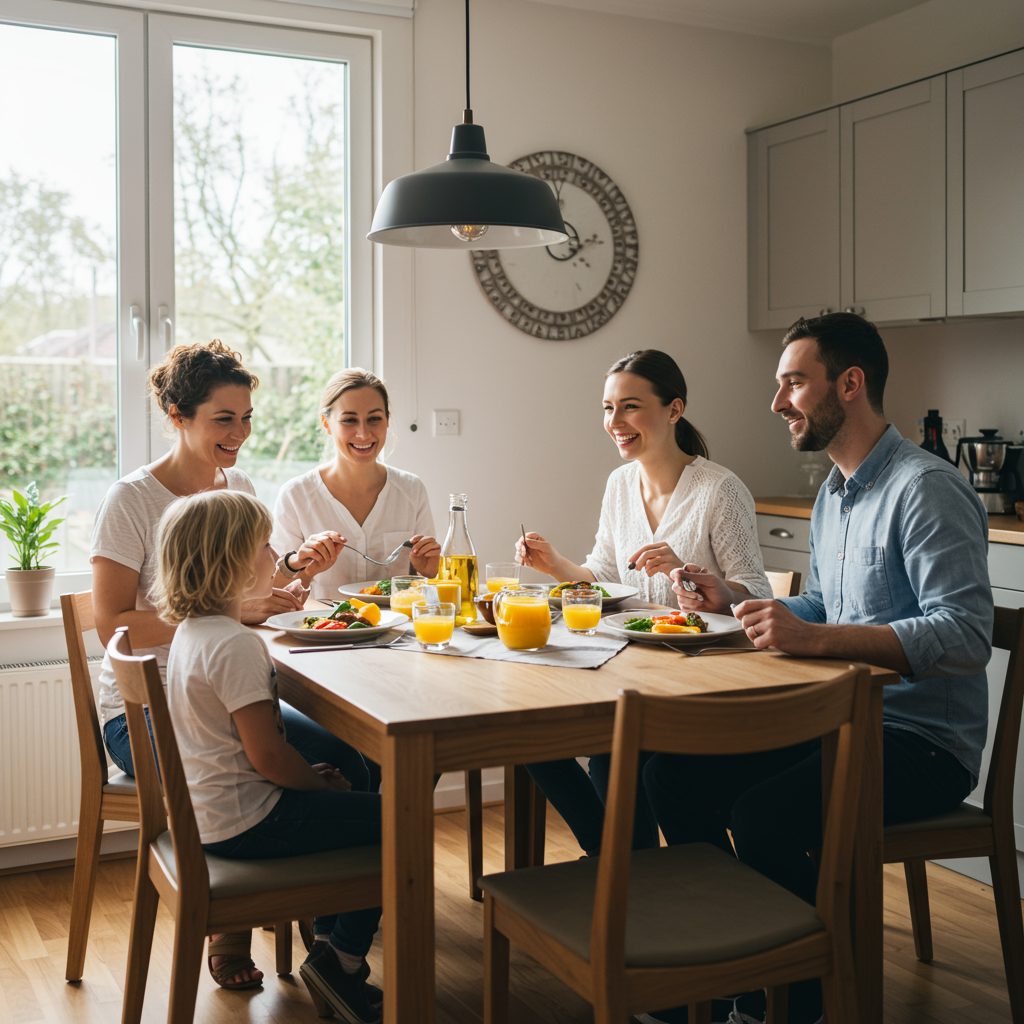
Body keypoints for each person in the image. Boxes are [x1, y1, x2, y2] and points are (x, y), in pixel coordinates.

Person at [643, 313, 992, 1024]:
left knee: (762, 812)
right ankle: (742, 970)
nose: (777, 403)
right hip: (840, 720)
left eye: (793, 383)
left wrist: (818, 640)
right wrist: (736, 595)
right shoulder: (834, 491)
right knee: (669, 775)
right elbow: (831, 605)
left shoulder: (925, 489)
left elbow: (964, 635)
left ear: (851, 384)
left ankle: (796, 995)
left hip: (920, 743)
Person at [90, 339, 358, 988]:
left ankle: (330, 929)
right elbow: (112, 625)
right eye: (222, 420)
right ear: (179, 416)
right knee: (258, 766)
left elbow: (245, 587)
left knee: (352, 756)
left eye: (246, 419)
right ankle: (231, 927)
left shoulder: (237, 484)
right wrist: (229, 613)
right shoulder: (131, 501)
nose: (238, 435)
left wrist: (286, 581)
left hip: (220, 686)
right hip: (144, 706)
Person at [516, 350, 772, 858]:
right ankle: (626, 868)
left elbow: (759, 599)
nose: (615, 423)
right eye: (608, 408)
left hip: (702, 686)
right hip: (630, 674)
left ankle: (630, 874)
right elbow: (606, 579)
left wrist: (692, 578)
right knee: (527, 740)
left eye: (630, 407)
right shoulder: (619, 485)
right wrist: (556, 567)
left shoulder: (720, 489)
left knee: (612, 759)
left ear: (674, 410)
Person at [155, 490, 382, 1023]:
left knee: (353, 787)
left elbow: (259, 756)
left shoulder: (194, 633)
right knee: (400, 821)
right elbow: (270, 757)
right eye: (263, 547)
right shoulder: (235, 645)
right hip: (249, 823)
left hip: (215, 814)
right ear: (230, 562)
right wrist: (316, 785)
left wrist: (307, 777)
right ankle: (342, 961)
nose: (271, 556)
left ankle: (329, 940)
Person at [272, 368, 440, 602]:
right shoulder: (295, 495)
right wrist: (308, 568)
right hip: (323, 631)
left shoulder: (412, 490)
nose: (363, 433)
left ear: (387, 420)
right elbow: (275, 593)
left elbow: (430, 591)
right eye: (349, 420)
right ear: (326, 423)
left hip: (398, 634)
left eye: (374, 419)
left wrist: (429, 571)